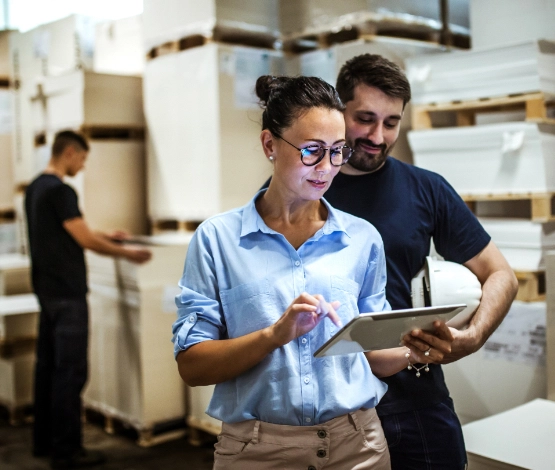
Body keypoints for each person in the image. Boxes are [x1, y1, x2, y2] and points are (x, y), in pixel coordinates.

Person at [172, 75, 453, 470]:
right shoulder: (218, 240)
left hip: (359, 446)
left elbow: (369, 354)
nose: (326, 168)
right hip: (258, 452)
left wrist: (414, 349)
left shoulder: (362, 239)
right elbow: (192, 366)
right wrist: (274, 335)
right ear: (270, 144)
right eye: (311, 151)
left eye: (338, 151)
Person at [318, 54, 517, 469]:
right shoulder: (303, 186)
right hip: (329, 405)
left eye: (391, 123)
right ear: (339, 110)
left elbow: (500, 274)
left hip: (415, 398)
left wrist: (473, 336)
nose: (377, 135)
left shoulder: (425, 188)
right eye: (365, 118)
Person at [25, 130, 152, 469]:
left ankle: (43, 443)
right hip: (68, 295)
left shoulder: (36, 188)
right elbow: (83, 239)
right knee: (71, 372)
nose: (81, 166)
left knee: (47, 369)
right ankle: (67, 452)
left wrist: (105, 234)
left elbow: (66, 231)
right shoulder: (61, 191)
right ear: (69, 152)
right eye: (81, 159)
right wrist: (127, 254)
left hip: (47, 293)